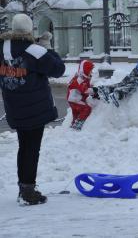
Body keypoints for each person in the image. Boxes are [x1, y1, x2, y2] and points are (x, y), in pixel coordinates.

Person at [0, 13, 65, 205]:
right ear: (29, 30)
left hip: (14, 107)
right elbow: (58, 69)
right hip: (35, 109)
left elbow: (21, 54)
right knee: (31, 149)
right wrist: (47, 48)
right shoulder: (35, 50)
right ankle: (28, 192)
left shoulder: (2, 48)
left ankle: (25, 187)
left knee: (24, 147)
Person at [67, 60, 96, 130]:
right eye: (90, 70)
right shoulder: (80, 79)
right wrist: (94, 90)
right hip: (75, 99)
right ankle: (78, 123)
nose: (91, 72)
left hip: (72, 99)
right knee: (87, 109)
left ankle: (73, 125)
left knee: (76, 113)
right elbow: (85, 90)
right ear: (85, 70)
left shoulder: (82, 77)